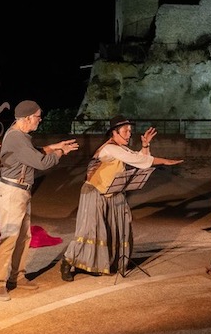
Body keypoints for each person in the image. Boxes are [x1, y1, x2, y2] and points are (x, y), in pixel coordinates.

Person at [60, 115, 184, 281]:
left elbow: (138, 158)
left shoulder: (119, 148)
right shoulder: (110, 148)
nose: (129, 134)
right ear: (114, 133)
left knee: (115, 228)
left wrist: (145, 145)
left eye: (130, 131)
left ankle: (108, 262)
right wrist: (165, 161)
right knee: (90, 230)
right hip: (94, 192)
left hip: (112, 192)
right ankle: (68, 261)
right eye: (125, 131)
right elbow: (139, 160)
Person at [0, 100, 79, 301]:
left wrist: (54, 146)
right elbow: (41, 162)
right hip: (13, 192)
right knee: (10, 237)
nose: (40, 120)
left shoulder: (20, 136)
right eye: (38, 117)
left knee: (23, 237)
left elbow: (33, 152)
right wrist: (59, 152)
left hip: (20, 191)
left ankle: (17, 276)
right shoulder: (16, 138)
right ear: (28, 117)